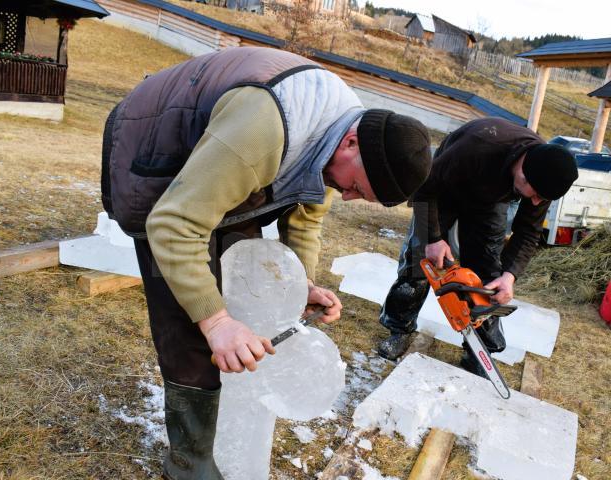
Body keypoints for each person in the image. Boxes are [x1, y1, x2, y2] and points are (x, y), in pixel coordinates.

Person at [101, 46, 432, 480]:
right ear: (352, 142)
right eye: (355, 187)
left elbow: (307, 215)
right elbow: (174, 225)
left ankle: (224, 423)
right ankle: (189, 461)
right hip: (153, 150)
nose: (346, 196)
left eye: (358, 197)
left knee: (249, 285)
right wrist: (216, 322)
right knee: (188, 316)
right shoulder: (265, 129)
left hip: (227, 165)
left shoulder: (346, 135)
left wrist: (302, 285)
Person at [377, 117, 578, 372]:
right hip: (444, 188)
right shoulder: (478, 146)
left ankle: (480, 348)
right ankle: (398, 328)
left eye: (543, 198)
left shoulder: (546, 173)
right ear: (523, 173)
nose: (537, 203)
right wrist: (433, 239)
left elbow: (528, 231)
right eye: (536, 195)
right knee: (420, 261)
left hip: (490, 200)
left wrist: (510, 276)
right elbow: (424, 190)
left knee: (487, 271)